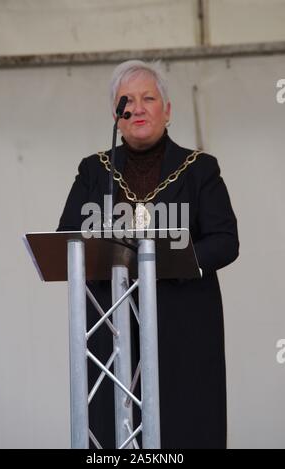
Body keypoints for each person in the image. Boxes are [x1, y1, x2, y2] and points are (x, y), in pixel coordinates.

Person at [57, 60, 239, 449]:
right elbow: (65, 240)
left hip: (183, 324)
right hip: (110, 329)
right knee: (111, 430)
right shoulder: (94, 172)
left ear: (167, 110)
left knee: (185, 427)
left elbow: (225, 240)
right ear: (116, 116)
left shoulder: (199, 170)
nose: (137, 108)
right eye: (128, 101)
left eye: (149, 98)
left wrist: (169, 262)